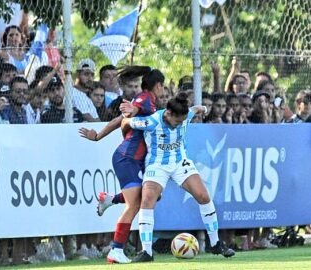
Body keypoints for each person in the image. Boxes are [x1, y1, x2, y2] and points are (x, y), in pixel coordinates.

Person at [120, 91, 235, 262]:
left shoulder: (185, 115)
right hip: (157, 164)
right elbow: (125, 122)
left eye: (182, 121)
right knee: (147, 200)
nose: (178, 124)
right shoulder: (151, 121)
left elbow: (195, 109)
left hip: (180, 162)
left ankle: (216, 243)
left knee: (204, 196)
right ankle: (147, 252)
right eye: (177, 121)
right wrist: (126, 133)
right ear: (168, 113)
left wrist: (202, 108)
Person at [79, 66, 165, 264]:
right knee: (134, 204)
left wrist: (99, 135)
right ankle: (116, 250)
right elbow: (125, 116)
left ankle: (109, 199)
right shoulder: (143, 99)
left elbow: (120, 120)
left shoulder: (150, 102)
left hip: (138, 160)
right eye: (162, 86)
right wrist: (130, 111)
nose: (164, 90)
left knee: (153, 194)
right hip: (127, 157)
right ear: (158, 86)